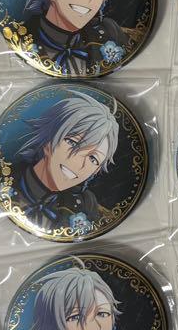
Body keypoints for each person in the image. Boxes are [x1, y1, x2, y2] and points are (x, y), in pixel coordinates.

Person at [11, 89, 120, 236]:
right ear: (49, 140)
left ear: (96, 171)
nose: (79, 163)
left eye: (93, 159)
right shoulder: (8, 181)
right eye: (73, 143)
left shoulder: (87, 204)